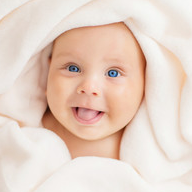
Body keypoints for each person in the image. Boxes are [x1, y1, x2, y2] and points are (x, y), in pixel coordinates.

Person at [42, 22, 146, 160]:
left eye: (113, 73)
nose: (89, 88)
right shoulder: (29, 131)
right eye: (73, 68)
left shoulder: (144, 153)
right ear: (47, 73)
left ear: (145, 84)